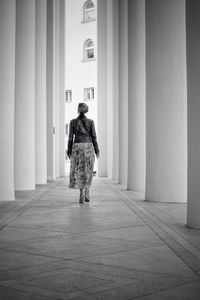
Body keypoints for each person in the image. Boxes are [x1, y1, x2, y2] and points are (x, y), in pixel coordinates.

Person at [67, 103, 100, 204]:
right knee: (88, 170)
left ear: (78, 110)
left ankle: (81, 193)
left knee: (78, 170)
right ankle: (87, 192)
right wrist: (97, 149)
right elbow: (94, 136)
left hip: (77, 147)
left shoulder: (73, 122)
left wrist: (69, 150)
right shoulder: (90, 122)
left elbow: (70, 138)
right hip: (88, 147)